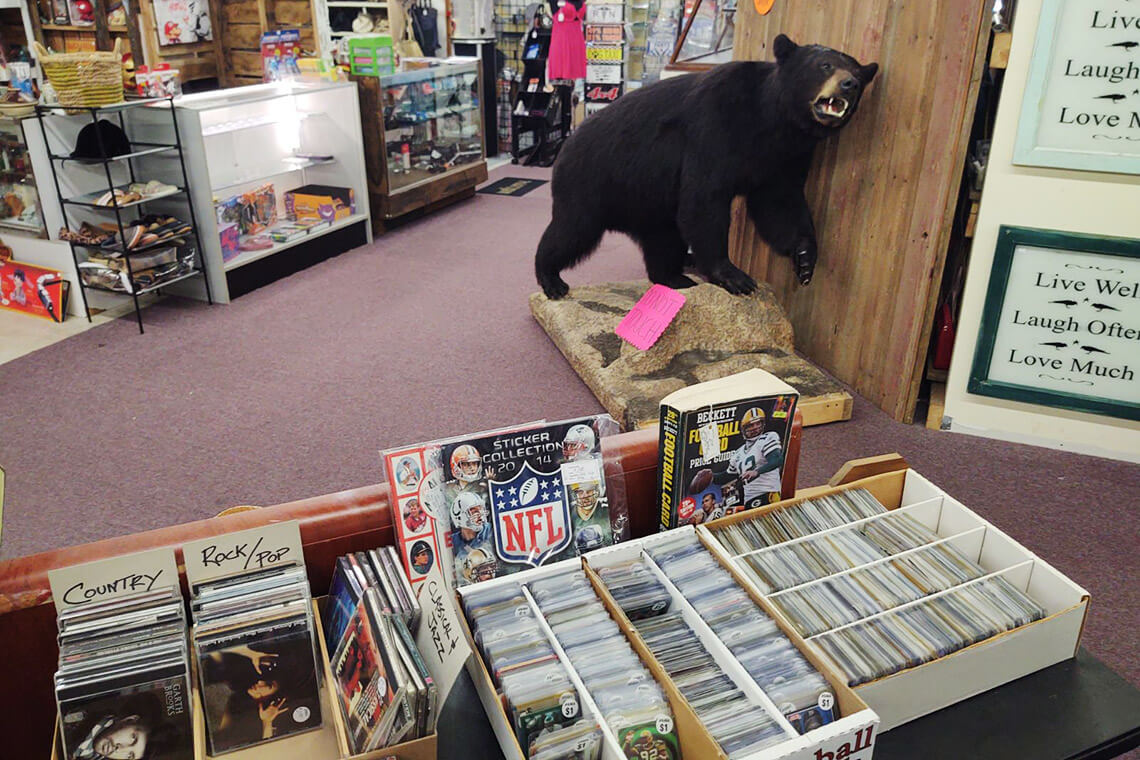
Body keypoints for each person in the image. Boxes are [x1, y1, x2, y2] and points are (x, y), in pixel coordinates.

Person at [201, 638, 320, 752]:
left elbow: (211, 648)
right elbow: (210, 647)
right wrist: (267, 722)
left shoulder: (267, 665)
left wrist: (250, 653)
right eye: (264, 680)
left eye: (267, 685)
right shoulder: (234, 693)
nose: (259, 683)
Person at [725, 406, 784, 507]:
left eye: (758, 423)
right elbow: (728, 476)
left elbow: (777, 459)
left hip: (768, 492)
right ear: (744, 428)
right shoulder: (738, 453)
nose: (755, 427)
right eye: (751, 425)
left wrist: (757, 471)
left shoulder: (768, 437)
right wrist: (712, 476)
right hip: (748, 499)